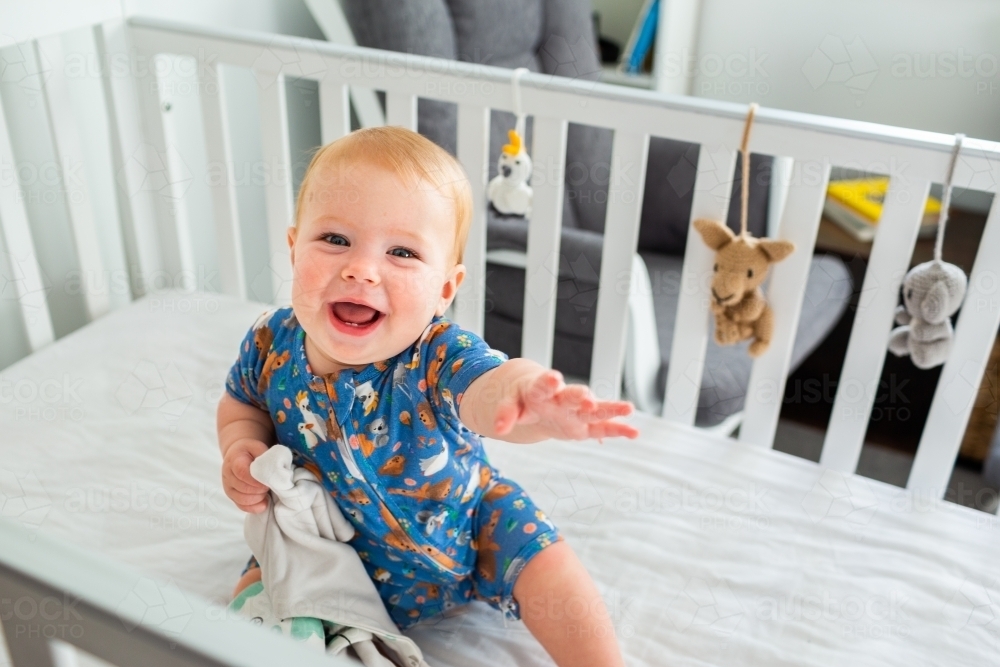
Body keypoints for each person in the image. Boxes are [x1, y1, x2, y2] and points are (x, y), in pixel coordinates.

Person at [217, 126, 637, 666]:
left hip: (469, 527)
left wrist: (530, 399)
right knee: (261, 577)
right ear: (295, 247)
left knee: (546, 562)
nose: (360, 268)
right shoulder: (270, 342)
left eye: (402, 252)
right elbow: (241, 403)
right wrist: (239, 445)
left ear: (445, 288)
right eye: (335, 240)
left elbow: (492, 389)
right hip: (329, 547)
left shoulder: (435, 355)